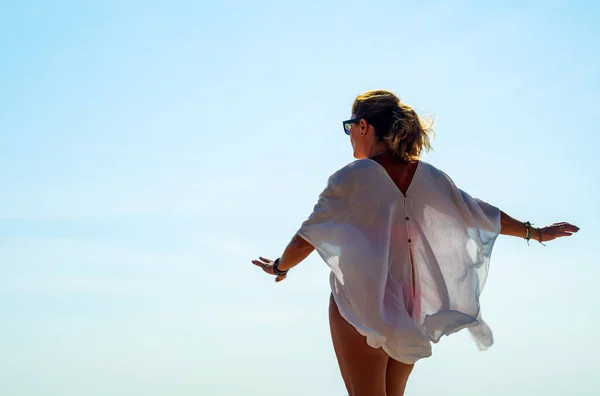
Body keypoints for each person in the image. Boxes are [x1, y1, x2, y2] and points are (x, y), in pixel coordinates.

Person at [251, 89, 579, 396]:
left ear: (364, 126)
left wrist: (281, 266)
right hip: (410, 306)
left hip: (362, 302)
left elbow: (310, 233)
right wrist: (534, 233)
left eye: (350, 126)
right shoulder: (429, 177)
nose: (350, 134)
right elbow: (478, 213)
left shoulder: (352, 176)